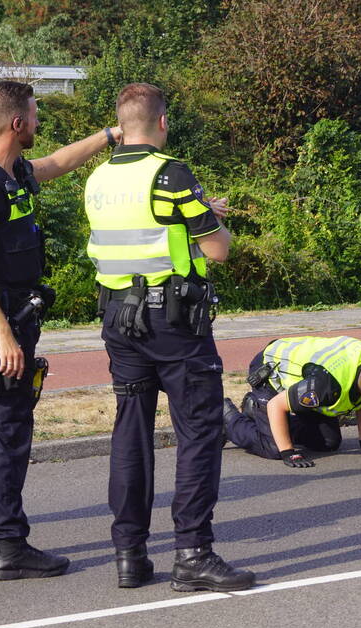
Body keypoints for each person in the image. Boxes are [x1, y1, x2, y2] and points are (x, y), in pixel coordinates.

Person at [83, 82, 254, 591]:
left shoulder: (97, 178)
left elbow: (145, 230)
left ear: (120, 122)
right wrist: (210, 218)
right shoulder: (172, 172)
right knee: (199, 430)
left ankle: (130, 553)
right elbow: (218, 249)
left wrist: (194, 213)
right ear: (162, 122)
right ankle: (193, 553)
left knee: (130, 430)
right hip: (173, 323)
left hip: (118, 317)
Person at [0, 80, 120, 580]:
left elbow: (57, 163)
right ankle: (10, 545)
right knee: (8, 433)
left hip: (14, 318)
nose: (40, 122)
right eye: (36, 114)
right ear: (18, 123)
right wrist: (1, 333)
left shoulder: (14, 173)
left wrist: (108, 136)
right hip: (0, 323)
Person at [223, 336, 361, 468]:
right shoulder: (324, 386)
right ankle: (228, 417)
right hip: (269, 371)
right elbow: (276, 405)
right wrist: (288, 452)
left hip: (309, 376)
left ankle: (259, 415)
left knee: (328, 442)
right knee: (273, 447)